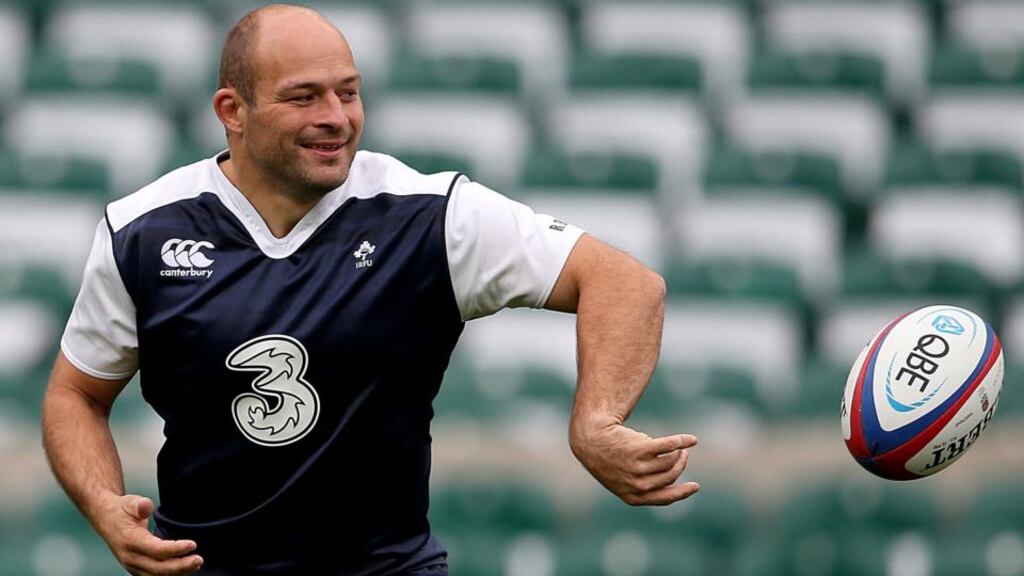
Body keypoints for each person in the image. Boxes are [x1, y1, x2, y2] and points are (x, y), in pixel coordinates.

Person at [41, 4, 699, 575]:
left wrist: (596, 422)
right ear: (231, 111)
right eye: (304, 97)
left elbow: (623, 282)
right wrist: (102, 504)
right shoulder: (142, 231)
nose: (337, 117)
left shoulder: (429, 216)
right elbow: (76, 393)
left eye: (348, 93)